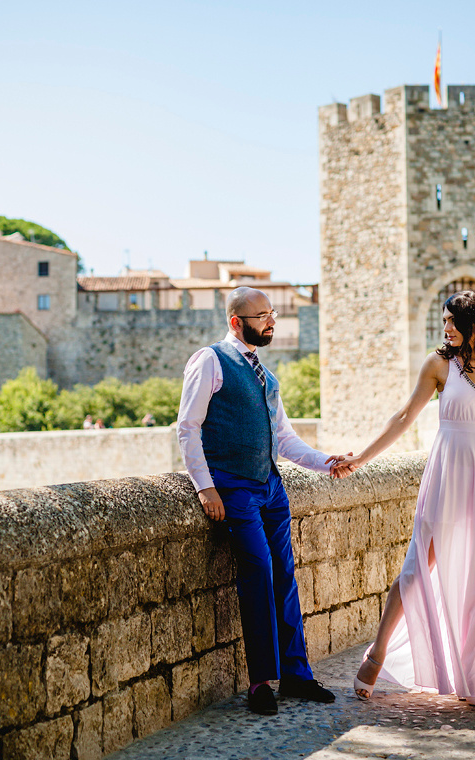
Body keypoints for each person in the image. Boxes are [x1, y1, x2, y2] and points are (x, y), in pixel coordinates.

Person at [333, 289, 475, 707]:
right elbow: (404, 417)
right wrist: (360, 460)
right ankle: (377, 653)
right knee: (417, 567)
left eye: (450, 320)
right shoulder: (440, 365)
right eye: (443, 321)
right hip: (448, 474)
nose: (444, 328)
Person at [177, 286, 346, 716]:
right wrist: (204, 486)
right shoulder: (210, 360)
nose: (272, 321)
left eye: (272, 314)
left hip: (271, 487)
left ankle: (296, 674)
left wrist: (326, 462)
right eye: (262, 316)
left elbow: (285, 439)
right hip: (233, 486)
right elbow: (188, 427)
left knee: (285, 576)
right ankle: (260, 682)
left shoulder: (267, 377)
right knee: (258, 572)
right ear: (237, 322)